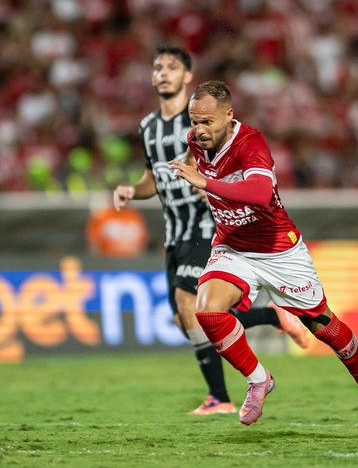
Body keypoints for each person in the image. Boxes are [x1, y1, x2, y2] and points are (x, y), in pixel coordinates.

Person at [168, 80, 358, 433]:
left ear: (229, 115)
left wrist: (204, 184)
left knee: (325, 328)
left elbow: (258, 194)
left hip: (278, 250)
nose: (199, 130)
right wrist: (187, 173)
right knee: (207, 311)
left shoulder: (251, 143)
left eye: (207, 122)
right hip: (232, 247)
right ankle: (259, 380)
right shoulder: (195, 143)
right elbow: (195, 164)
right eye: (194, 122)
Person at [113, 46, 309, 416]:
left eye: (172, 67)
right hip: (174, 232)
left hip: (206, 228)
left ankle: (220, 397)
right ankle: (271, 317)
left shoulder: (204, 123)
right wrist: (130, 190)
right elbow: (152, 179)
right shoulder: (148, 127)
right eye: (157, 67)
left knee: (190, 308)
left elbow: (232, 167)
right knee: (184, 318)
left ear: (188, 77)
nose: (163, 73)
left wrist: (215, 190)